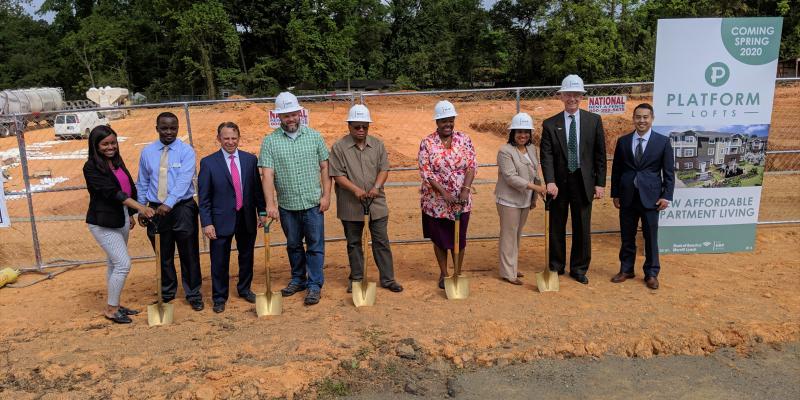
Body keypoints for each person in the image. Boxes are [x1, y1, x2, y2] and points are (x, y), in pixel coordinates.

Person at [259, 92, 331, 306]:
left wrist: (327, 195)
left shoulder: (314, 137)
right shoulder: (270, 142)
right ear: (278, 117)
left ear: (299, 113)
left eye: (293, 114)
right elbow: (268, 174)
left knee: (315, 245)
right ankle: (298, 279)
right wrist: (270, 203)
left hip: (312, 203)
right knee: (293, 244)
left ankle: (314, 285)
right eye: (285, 116)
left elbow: (325, 166)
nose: (290, 119)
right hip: (288, 205)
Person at [83, 125, 155, 324]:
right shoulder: (91, 167)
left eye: (113, 142)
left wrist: (130, 213)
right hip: (103, 222)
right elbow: (113, 192)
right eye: (105, 144)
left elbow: (128, 188)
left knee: (113, 264)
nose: (110, 147)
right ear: (95, 146)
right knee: (123, 264)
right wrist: (141, 207)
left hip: (120, 218)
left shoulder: (116, 162)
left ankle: (114, 302)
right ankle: (111, 309)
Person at [329, 105, 404, 294]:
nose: (361, 130)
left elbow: (384, 169)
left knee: (381, 241)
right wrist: (355, 190)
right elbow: (337, 175)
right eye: (357, 127)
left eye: (365, 126)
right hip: (350, 204)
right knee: (354, 242)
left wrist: (376, 187)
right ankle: (357, 278)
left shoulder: (377, 145)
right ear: (349, 126)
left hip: (376, 202)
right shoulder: (339, 148)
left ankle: (387, 279)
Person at [540, 74, 607, 285]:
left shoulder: (593, 121)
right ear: (561, 96)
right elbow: (546, 155)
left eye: (576, 94)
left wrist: (600, 183)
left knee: (582, 226)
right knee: (556, 225)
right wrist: (549, 180)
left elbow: (600, 154)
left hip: (583, 181)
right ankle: (556, 265)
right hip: (559, 184)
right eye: (568, 94)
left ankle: (579, 268)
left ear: (582, 97)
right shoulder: (550, 124)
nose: (572, 98)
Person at [136, 112, 204, 311]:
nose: (168, 132)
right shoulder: (147, 152)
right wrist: (142, 208)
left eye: (173, 128)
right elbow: (143, 182)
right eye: (164, 128)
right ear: (156, 128)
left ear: (178, 128)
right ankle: (167, 291)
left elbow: (185, 180)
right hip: (156, 210)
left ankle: (193, 293)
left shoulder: (186, 151)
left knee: (189, 253)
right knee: (163, 253)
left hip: (182, 208)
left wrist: (170, 203)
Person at [198, 122, 267, 313]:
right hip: (220, 220)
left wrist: (261, 212)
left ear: (239, 138)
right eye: (226, 138)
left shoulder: (249, 160)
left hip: (246, 218)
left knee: (247, 256)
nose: (230, 142)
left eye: (233, 138)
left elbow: (256, 190)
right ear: (218, 138)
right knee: (219, 260)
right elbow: (204, 198)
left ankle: (244, 288)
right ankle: (219, 297)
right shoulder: (208, 162)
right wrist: (207, 223)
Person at [610, 103, 675, 290]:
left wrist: (666, 196)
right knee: (627, 236)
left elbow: (669, 173)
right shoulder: (623, 142)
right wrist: (615, 194)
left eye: (645, 117)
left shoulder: (662, 142)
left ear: (652, 119)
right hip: (627, 197)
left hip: (652, 198)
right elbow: (616, 171)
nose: (641, 120)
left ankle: (652, 273)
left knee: (651, 237)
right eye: (638, 117)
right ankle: (626, 269)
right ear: (633, 119)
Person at [418, 100, 477, 289]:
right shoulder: (427, 143)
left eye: (450, 120)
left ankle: (457, 273)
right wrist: (444, 193)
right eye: (444, 121)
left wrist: (465, 191)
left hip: (461, 199)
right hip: (436, 200)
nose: (448, 124)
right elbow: (426, 172)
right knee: (440, 238)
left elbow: (471, 166)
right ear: (437, 122)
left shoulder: (464, 139)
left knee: (459, 237)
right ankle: (444, 274)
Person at [494, 113, 547, 285]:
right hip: (509, 200)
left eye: (526, 132)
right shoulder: (505, 151)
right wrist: (536, 188)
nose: (522, 135)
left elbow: (534, 173)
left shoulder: (532, 149)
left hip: (524, 199)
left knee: (517, 234)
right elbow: (510, 178)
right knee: (508, 235)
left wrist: (537, 195)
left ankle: (512, 266)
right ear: (512, 133)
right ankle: (508, 273)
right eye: (518, 132)